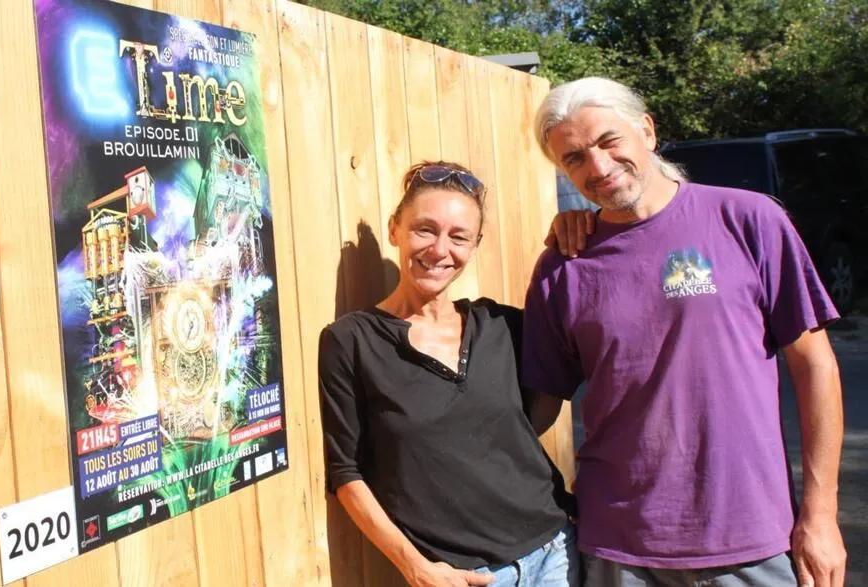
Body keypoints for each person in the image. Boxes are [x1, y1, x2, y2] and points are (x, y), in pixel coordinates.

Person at [522, 76, 847, 587]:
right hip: (618, 548)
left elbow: (816, 366)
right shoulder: (564, 264)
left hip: (750, 538)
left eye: (609, 141)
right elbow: (535, 410)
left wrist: (821, 515)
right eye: (575, 158)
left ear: (647, 131)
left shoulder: (748, 220)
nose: (598, 168)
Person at [318, 161, 580, 587]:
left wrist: (579, 223)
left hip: (556, 553)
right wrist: (414, 566)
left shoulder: (504, 326)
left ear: (474, 245)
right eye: (425, 230)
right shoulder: (351, 341)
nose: (440, 250)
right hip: (466, 576)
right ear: (395, 230)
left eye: (459, 237)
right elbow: (345, 473)